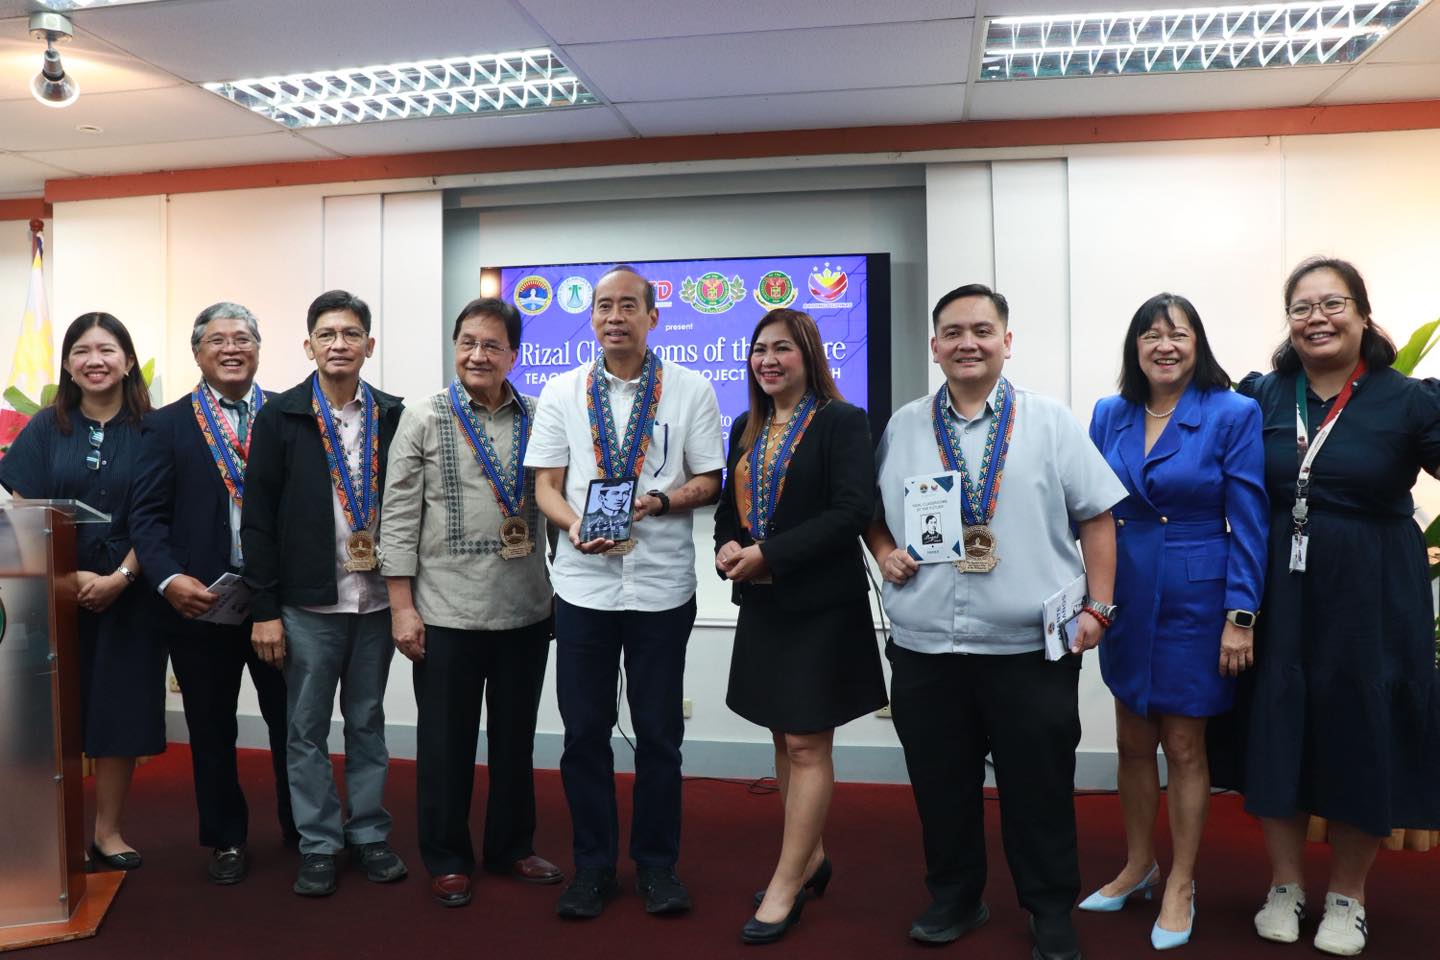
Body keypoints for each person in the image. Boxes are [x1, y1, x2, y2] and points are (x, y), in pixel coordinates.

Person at [865, 284, 1127, 960]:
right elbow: (869, 512)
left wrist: (1100, 606)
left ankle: (1049, 908)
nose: (968, 343)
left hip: (1027, 648)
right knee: (941, 784)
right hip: (927, 644)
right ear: (934, 346)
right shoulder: (903, 427)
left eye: (982, 330)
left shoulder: (1049, 422)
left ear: (1007, 342)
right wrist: (885, 551)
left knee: (1038, 787)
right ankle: (956, 896)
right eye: (953, 332)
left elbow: (1098, 517)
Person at [1235, 257, 1440, 956]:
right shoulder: (1263, 395)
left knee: (1364, 730)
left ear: (1361, 313)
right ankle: (1285, 885)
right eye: (1302, 307)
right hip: (1280, 590)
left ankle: (1348, 897)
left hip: (1374, 594)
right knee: (1279, 724)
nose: (1316, 318)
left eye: (1333, 303)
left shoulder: (1408, 400)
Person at [525, 264, 724, 919]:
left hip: (661, 589)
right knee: (584, 734)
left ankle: (658, 867)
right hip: (582, 589)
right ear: (592, 318)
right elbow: (546, 486)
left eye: (628, 306)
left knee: (660, 736)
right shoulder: (562, 390)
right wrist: (574, 524)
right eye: (604, 306)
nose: (615, 317)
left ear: (652, 316)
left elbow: (711, 480)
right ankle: (593, 866)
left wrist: (659, 501)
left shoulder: (691, 389)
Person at [1082, 294, 1267, 949]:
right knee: (1132, 740)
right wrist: (1089, 597)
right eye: (1150, 335)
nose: (1164, 346)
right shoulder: (1110, 413)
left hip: (1198, 595)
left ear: (1197, 344)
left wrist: (1240, 616)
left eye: (1177, 334)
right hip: (1125, 592)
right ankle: (1139, 865)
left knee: (1185, 746)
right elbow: (1090, 509)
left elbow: (1250, 521)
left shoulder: (1232, 412)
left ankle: (1182, 881)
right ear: (1135, 348)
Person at [379, 297, 562, 908]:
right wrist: (402, 608)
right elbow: (397, 518)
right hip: (444, 614)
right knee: (444, 745)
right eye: (467, 343)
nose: (477, 355)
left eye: (491, 345)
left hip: (526, 611)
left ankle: (511, 846)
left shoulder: (540, 415)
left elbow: (558, 502)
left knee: (515, 740)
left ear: (514, 355)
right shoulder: (422, 417)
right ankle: (447, 857)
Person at [713, 308, 886, 944]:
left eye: (782, 348)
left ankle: (786, 884)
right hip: (763, 604)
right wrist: (728, 546)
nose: (768, 360)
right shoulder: (745, 425)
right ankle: (810, 857)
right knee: (783, 741)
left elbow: (851, 511)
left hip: (821, 607)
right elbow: (730, 511)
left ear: (809, 355)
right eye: (759, 349)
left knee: (809, 745)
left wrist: (771, 554)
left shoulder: (842, 421)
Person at [241, 290, 406, 897]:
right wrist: (264, 610)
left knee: (367, 722)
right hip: (308, 605)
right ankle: (318, 843)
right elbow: (257, 521)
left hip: (376, 601)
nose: (340, 344)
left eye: (351, 333)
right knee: (305, 730)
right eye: (327, 334)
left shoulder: (393, 415)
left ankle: (368, 833)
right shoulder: (280, 417)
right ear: (308, 346)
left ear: (369, 344)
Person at [130, 302, 297, 885]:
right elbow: (145, 518)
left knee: (293, 723)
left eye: (243, 338)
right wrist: (169, 580)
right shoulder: (166, 425)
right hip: (200, 602)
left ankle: (304, 828)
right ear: (197, 352)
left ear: (259, 348)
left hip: (279, 603)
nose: (232, 348)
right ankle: (226, 838)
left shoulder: (289, 415)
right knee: (210, 727)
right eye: (218, 339)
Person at [0, 312, 161, 871]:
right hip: (54, 592)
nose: (95, 361)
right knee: (52, 714)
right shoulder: (46, 427)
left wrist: (122, 577)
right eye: (82, 351)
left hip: (131, 590)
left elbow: (160, 515)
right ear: (67, 364)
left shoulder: (155, 429)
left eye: (107, 349)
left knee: (120, 711)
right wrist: (64, 579)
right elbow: (26, 509)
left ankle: (107, 832)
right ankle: (55, 831)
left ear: (128, 360)